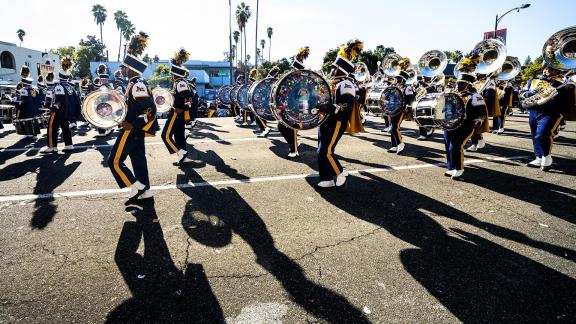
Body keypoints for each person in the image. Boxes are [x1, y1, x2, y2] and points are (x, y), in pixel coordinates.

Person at [107, 31, 160, 204]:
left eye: (124, 67)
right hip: (134, 130)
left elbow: (150, 109)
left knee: (114, 162)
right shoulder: (134, 84)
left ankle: (137, 186)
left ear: (131, 69)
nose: (122, 70)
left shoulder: (137, 84)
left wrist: (133, 124)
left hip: (131, 130)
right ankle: (144, 191)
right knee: (138, 161)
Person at [315, 40, 363, 189]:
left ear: (341, 70)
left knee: (326, 151)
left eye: (334, 69)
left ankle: (340, 173)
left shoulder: (346, 84)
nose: (332, 71)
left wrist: (327, 107)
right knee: (321, 150)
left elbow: (345, 107)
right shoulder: (333, 83)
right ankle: (326, 179)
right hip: (326, 120)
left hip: (336, 122)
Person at [444, 54, 488, 179]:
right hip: (450, 124)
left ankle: (458, 168)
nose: (457, 86)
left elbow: (482, 112)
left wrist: (477, 122)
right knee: (448, 144)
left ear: (468, 84)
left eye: (461, 84)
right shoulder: (453, 93)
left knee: (456, 145)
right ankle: (451, 167)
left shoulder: (475, 96)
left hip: (466, 125)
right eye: (458, 83)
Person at [524, 63, 575, 170]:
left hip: (552, 112)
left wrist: (556, 85)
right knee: (534, 135)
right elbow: (523, 92)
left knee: (542, 134)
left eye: (551, 69)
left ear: (558, 70)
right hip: (535, 111)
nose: (547, 70)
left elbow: (568, 99)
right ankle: (538, 157)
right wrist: (528, 94)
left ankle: (546, 157)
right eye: (546, 68)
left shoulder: (565, 82)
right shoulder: (534, 81)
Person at [161, 48, 195, 166]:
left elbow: (190, 98)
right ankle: (182, 156)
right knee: (179, 136)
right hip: (177, 114)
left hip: (176, 114)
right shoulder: (178, 83)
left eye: (172, 73)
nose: (171, 74)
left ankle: (180, 152)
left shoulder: (180, 83)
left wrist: (183, 108)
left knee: (165, 135)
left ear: (175, 73)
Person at [14, 65, 41, 140]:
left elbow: (23, 101)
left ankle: (28, 134)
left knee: (26, 121)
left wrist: (16, 102)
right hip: (34, 108)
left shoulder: (24, 90)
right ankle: (34, 135)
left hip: (27, 109)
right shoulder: (33, 89)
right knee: (33, 120)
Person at [95, 64, 114, 137]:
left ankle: (102, 131)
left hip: (102, 94)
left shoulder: (99, 76)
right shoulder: (107, 78)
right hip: (108, 94)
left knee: (101, 114)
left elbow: (100, 84)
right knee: (107, 114)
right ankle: (109, 128)